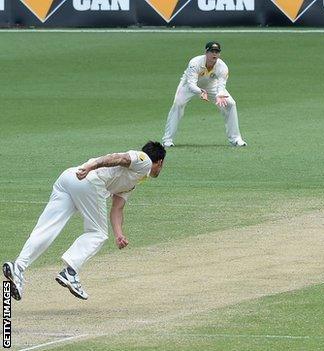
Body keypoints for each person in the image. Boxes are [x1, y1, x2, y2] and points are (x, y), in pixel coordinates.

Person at [3, 141, 166, 301]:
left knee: (47, 228)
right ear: (159, 161)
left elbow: (117, 208)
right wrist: (91, 166)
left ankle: (18, 267)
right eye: (162, 165)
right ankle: (70, 272)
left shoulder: (133, 181)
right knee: (98, 233)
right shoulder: (144, 160)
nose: (161, 169)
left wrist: (119, 234)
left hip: (69, 178)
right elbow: (118, 157)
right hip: (89, 179)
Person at [162, 41, 247, 147]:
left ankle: (235, 139)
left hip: (210, 85)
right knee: (178, 104)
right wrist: (200, 91)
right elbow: (191, 84)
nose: (214, 54)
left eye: (217, 52)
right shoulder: (195, 62)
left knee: (231, 104)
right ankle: (167, 140)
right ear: (206, 52)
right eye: (212, 51)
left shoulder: (222, 67)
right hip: (189, 85)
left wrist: (220, 94)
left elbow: (221, 85)